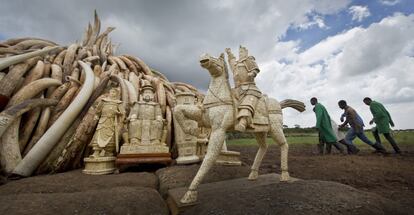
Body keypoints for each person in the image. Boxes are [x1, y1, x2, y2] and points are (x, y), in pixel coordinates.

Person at [225, 46, 261, 132]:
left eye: (242, 52)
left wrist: (252, 73)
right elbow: (232, 61)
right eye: (239, 52)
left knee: (248, 100)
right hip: (237, 89)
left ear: (246, 53)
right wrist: (229, 53)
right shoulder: (237, 64)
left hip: (249, 87)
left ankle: (243, 122)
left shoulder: (248, 60)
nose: (240, 54)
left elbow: (255, 69)